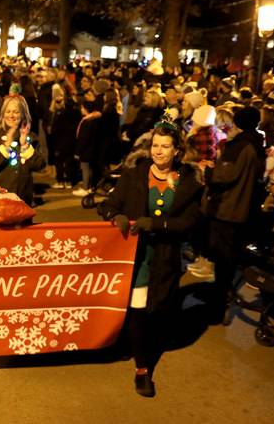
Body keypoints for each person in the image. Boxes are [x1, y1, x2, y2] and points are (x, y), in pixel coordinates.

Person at [99, 120, 204, 398]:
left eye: (165, 146)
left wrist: (155, 225)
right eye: (155, 145)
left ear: (177, 151)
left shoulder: (189, 182)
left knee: (156, 314)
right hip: (134, 259)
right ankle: (142, 368)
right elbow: (107, 205)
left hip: (165, 260)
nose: (158, 151)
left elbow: (190, 223)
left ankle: (137, 346)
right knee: (136, 312)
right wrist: (116, 216)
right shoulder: (134, 174)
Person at [200, 106, 266, 322]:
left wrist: (209, 170)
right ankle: (222, 295)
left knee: (223, 257)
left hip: (227, 208)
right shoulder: (256, 143)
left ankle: (219, 304)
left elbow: (224, 175)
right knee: (229, 256)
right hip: (242, 208)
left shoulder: (239, 146)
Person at [0, 96, 46, 206]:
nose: (11, 115)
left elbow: (40, 165)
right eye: (8, 111)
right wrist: (6, 146)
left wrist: (25, 145)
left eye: (16, 112)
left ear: (23, 114)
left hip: (22, 197)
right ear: (3, 114)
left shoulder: (31, 137)